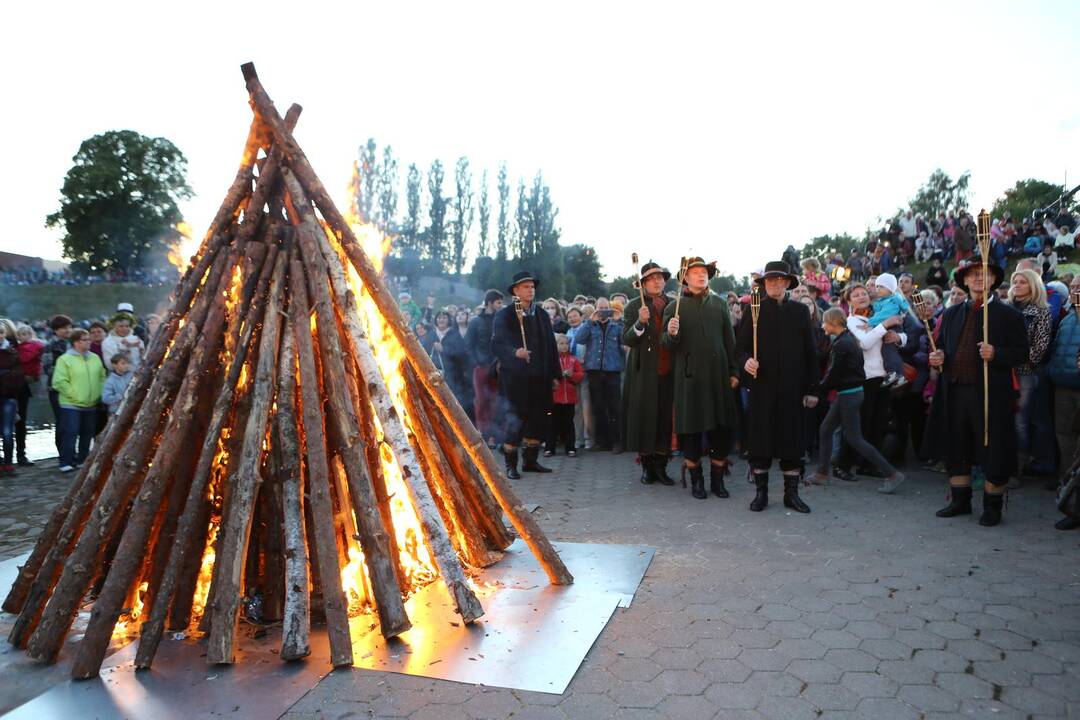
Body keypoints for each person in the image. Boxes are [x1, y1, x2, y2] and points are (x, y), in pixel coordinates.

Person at [924, 260, 1029, 527]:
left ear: (994, 280)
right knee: (955, 443)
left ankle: (993, 507)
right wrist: (939, 357)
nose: (979, 279)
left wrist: (997, 354)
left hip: (991, 393)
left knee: (993, 447)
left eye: (984, 275)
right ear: (965, 281)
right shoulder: (951, 313)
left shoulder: (1009, 315)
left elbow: (1022, 353)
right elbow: (945, 348)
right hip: (955, 389)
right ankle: (960, 500)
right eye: (973, 276)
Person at [736, 260, 819, 513]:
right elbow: (739, 349)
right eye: (769, 280)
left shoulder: (800, 312)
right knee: (760, 441)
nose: (774, 284)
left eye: (778, 280)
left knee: (791, 442)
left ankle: (791, 495)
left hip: (793, 389)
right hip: (762, 388)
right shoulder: (754, 311)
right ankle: (761, 494)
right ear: (764, 284)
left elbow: (811, 353)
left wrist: (812, 389)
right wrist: (746, 361)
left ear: (786, 283)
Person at [662, 258, 739, 499]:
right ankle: (697, 481)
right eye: (695, 272)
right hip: (689, 377)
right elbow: (666, 343)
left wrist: (734, 371)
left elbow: (730, 340)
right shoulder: (674, 308)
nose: (700, 275)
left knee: (720, 429)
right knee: (692, 431)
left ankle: (718, 480)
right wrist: (672, 333)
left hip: (718, 376)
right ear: (685, 278)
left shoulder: (719, 303)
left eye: (704, 272)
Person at [812, 308, 906, 492]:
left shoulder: (842, 344)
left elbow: (832, 374)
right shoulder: (846, 340)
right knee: (826, 430)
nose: (822, 325)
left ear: (833, 323)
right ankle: (822, 473)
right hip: (849, 393)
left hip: (849, 395)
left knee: (854, 438)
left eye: (824, 322)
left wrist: (815, 389)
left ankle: (892, 474)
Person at [491, 271, 560, 478]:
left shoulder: (541, 315)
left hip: (540, 377)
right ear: (515, 291)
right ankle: (511, 464)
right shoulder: (504, 315)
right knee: (515, 419)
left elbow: (551, 346)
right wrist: (515, 352)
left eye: (532, 286)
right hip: (515, 379)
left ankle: (530, 461)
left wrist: (555, 374)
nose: (530, 290)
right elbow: (496, 344)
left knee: (538, 419)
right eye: (525, 287)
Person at [622, 262, 676, 485]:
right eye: (651, 278)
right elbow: (627, 339)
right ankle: (647, 467)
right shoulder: (634, 306)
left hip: (669, 371)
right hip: (644, 374)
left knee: (665, 421)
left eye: (660, 277)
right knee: (645, 420)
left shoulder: (675, 304)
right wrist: (640, 322)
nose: (656, 281)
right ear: (643, 283)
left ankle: (661, 467)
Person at [1007, 269, 1054, 480]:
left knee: (1020, 421)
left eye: (1022, 282)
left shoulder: (1042, 311)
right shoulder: (1004, 308)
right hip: (1001, 370)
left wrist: (1015, 359)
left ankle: (1017, 467)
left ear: (1033, 285)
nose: (1016, 285)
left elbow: (1040, 346)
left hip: (1024, 373)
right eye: (1014, 281)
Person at [1048, 275, 1080, 530]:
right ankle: (1069, 497)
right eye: (1074, 286)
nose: (1076, 289)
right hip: (1064, 387)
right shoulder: (1067, 315)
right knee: (1065, 439)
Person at [574, 297, 626, 453]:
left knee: (614, 407)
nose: (603, 312)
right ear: (595, 309)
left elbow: (626, 341)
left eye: (605, 308)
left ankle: (617, 441)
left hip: (612, 371)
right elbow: (578, 339)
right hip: (594, 370)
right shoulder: (590, 325)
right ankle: (602, 441)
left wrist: (620, 320)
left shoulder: (617, 326)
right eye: (600, 308)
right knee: (598, 407)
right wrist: (590, 321)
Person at [52, 328, 107, 473]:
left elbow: (102, 376)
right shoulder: (64, 359)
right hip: (71, 403)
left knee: (87, 432)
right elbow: (59, 382)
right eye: (85, 339)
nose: (89, 341)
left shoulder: (95, 358)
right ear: (76, 342)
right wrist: (75, 395)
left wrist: (99, 393)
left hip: (92, 403)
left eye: (89, 339)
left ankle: (83, 460)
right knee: (71, 432)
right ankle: (66, 461)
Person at [465, 290, 504, 447]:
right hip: (481, 367)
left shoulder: (501, 320)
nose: (501, 305)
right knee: (481, 401)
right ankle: (483, 434)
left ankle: (494, 436)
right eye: (498, 302)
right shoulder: (476, 322)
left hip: (498, 366)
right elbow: (469, 345)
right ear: (490, 302)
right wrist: (476, 363)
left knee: (496, 400)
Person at [424, 310, 472, 415]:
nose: (441, 320)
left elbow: (462, 353)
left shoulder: (454, 334)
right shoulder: (431, 334)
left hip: (453, 376)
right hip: (434, 375)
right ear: (436, 320)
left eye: (444, 318)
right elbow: (424, 352)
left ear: (448, 320)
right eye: (439, 318)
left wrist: (444, 349)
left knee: (451, 402)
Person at [867, 273, 909, 387]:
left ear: (890, 289)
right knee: (890, 351)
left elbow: (884, 315)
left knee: (888, 351)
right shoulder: (882, 301)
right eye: (876, 286)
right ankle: (899, 375)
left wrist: (869, 322)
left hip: (892, 328)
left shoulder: (891, 301)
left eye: (881, 286)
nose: (877, 289)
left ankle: (893, 373)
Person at [546, 334, 585, 457]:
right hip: (555, 398)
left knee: (569, 424)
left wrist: (571, 374)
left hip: (569, 399)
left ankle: (570, 448)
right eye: (561, 343)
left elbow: (580, 375)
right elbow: (547, 375)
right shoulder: (551, 360)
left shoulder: (574, 360)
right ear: (555, 345)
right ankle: (549, 448)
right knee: (552, 424)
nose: (564, 346)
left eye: (566, 343)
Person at [14, 324, 43, 466]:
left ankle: (21, 455)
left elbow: (25, 360)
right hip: (10, 386)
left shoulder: (30, 347)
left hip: (21, 385)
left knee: (20, 422)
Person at [44, 314, 73, 455]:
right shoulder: (50, 345)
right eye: (63, 328)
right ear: (55, 330)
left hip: (74, 386)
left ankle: (71, 451)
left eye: (69, 327)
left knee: (72, 421)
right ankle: (63, 453)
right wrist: (66, 369)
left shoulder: (74, 343)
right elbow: (47, 368)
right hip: (56, 388)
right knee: (61, 420)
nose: (67, 330)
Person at [0, 322, 24, 477]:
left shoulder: (12, 352)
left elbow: (18, 375)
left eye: (1, 333)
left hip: (8, 397)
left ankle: (8, 463)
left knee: (8, 433)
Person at [101, 350, 134, 416]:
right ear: (114, 365)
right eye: (123, 363)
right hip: (115, 412)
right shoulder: (110, 381)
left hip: (130, 410)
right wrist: (119, 397)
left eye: (127, 363)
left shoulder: (131, 376)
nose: (126, 366)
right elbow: (105, 398)